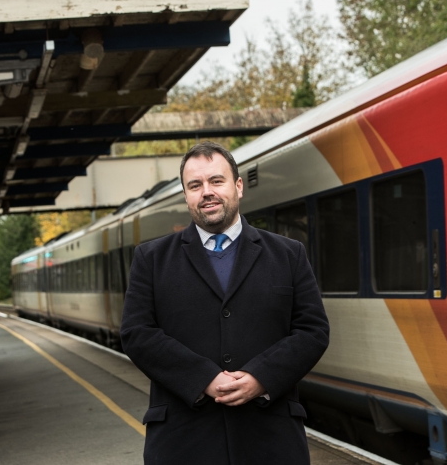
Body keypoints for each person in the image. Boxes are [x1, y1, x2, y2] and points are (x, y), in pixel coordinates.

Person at [121, 141, 330, 465]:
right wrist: (204, 378)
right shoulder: (151, 258)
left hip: (271, 441)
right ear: (186, 195)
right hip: (183, 443)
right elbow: (137, 333)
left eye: (216, 181)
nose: (207, 192)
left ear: (238, 186)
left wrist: (261, 377)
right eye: (195, 185)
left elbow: (312, 330)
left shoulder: (288, 254)